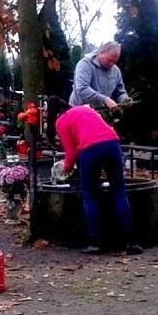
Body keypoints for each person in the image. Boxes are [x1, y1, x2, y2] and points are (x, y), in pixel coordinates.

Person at [48, 96, 142, 255]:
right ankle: (130, 242)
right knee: (119, 193)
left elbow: (71, 153)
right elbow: (93, 135)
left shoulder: (60, 121)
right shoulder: (85, 110)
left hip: (90, 152)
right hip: (112, 144)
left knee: (89, 196)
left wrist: (66, 168)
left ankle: (96, 242)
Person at [69, 41, 129, 110]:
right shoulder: (85, 64)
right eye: (109, 60)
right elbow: (82, 89)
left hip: (103, 113)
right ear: (101, 53)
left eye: (114, 62)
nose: (111, 64)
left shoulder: (116, 71)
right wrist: (105, 99)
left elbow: (119, 92)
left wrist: (125, 99)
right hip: (80, 111)